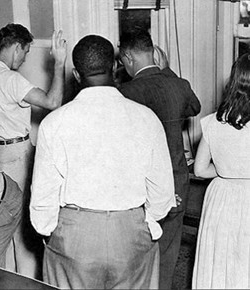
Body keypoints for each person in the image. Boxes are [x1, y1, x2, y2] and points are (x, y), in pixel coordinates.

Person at [30, 34, 176, 289]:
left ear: (76, 74)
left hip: (74, 236)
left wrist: (51, 232)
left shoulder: (53, 123)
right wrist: (146, 224)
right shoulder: (146, 118)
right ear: (115, 68)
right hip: (131, 231)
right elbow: (163, 191)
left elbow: (43, 196)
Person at [0, 23, 67, 279]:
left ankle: (8, 281)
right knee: (24, 228)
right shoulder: (11, 79)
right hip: (17, 157)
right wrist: (59, 65)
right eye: (25, 52)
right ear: (16, 48)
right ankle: (28, 283)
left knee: (1, 222)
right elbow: (53, 102)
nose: (24, 60)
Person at [118, 30, 201, 289]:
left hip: (141, 186)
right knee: (168, 250)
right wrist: (167, 72)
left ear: (129, 57)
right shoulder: (178, 84)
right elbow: (194, 107)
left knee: (136, 253)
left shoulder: (126, 92)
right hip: (176, 179)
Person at [192, 53, 250, 289]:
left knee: (221, 259)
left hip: (222, 197)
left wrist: (227, 170)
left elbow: (200, 169)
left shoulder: (213, 122)